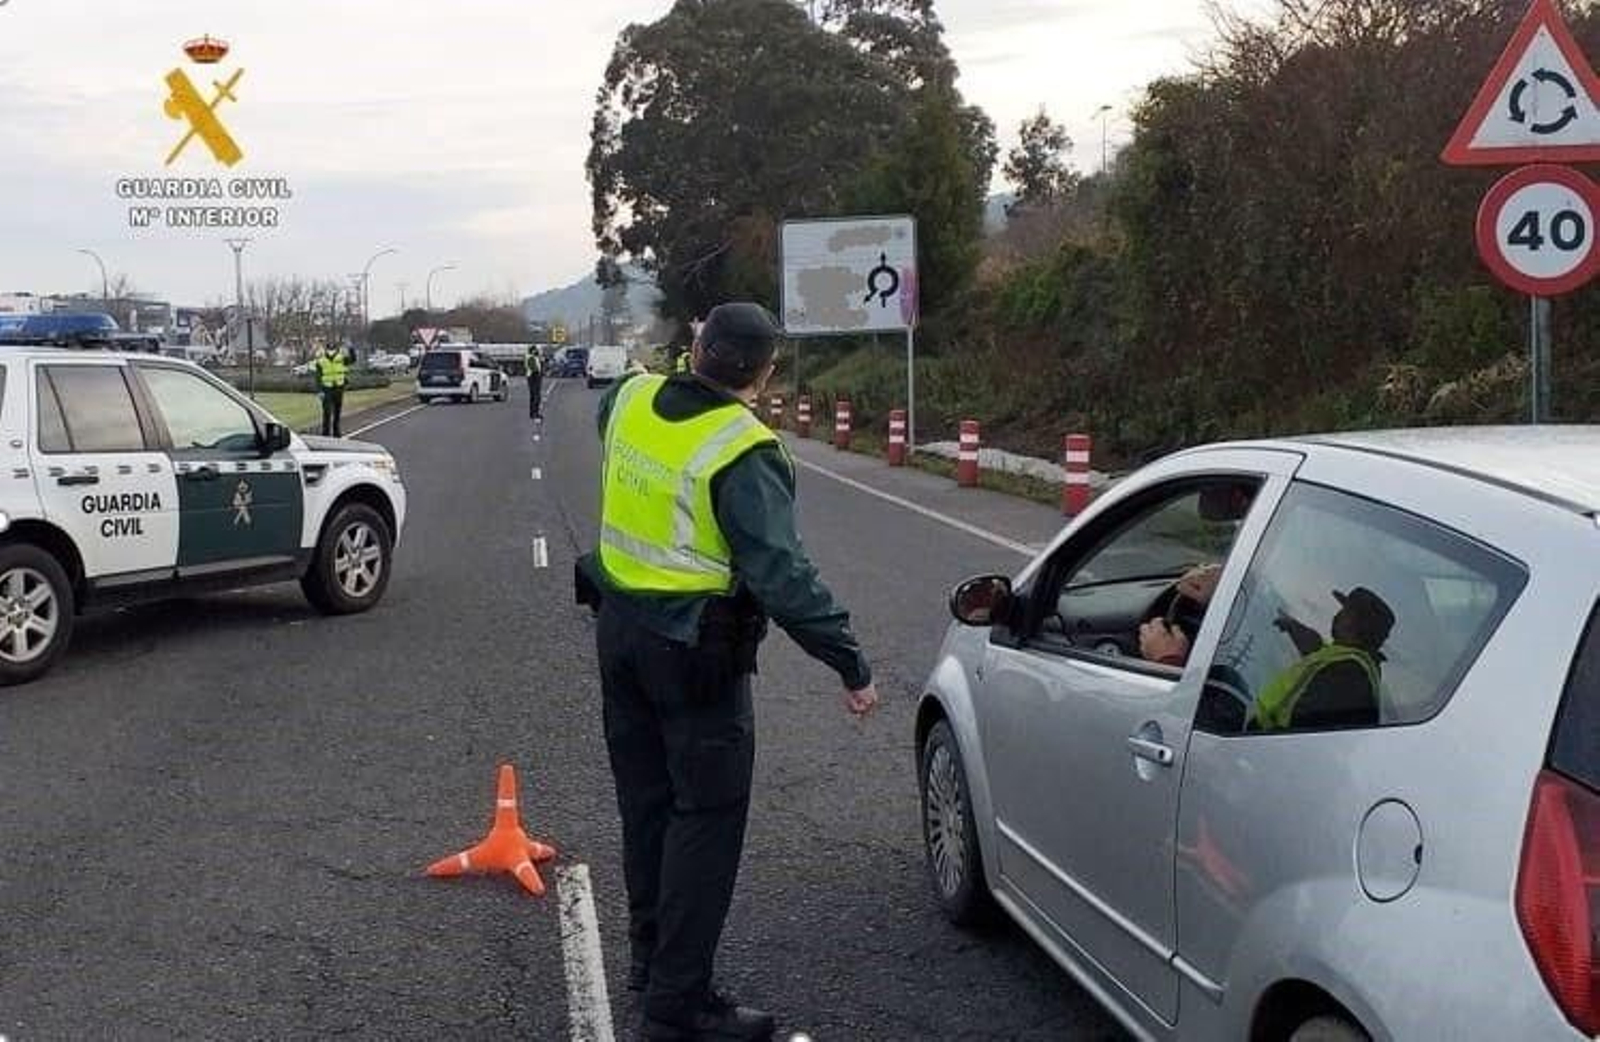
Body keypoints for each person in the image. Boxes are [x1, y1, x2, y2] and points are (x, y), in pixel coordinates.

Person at [578, 302, 878, 1042]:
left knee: (646, 809)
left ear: (696, 348)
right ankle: (678, 1004)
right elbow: (783, 576)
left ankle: (651, 965)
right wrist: (849, 662)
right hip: (693, 656)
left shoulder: (631, 397)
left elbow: (610, 425)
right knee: (704, 821)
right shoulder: (744, 449)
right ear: (764, 374)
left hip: (620, 634)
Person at [1249, 587, 1394, 731]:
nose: (1338, 615)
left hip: (1259, 738)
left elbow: (1302, 730)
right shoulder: (1348, 660)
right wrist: (1293, 626)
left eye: (1346, 612)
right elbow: (1317, 648)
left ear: (1358, 625)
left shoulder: (1348, 677)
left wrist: (1259, 733)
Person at [312, 341, 350, 437]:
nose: (331, 351)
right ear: (326, 349)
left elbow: (352, 360)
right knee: (327, 412)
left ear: (336, 349)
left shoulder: (341, 357)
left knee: (337, 411)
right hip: (326, 389)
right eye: (329, 349)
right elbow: (317, 376)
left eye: (333, 349)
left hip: (339, 387)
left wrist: (350, 349)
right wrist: (319, 390)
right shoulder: (321, 359)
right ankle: (325, 434)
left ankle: (336, 432)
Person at [525, 345, 544, 420]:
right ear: (532, 351)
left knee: (535, 396)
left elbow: (539, 365)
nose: (537, 351)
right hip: (533, 377)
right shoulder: (530, 357)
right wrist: (539, 373)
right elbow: (534, 368)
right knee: (536, 396)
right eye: (535, 350)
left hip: (534, 376)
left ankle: (534, 412)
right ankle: (534, 413)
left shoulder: (533, 357)